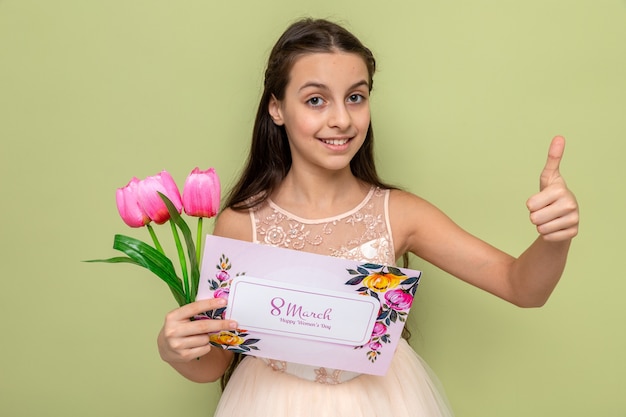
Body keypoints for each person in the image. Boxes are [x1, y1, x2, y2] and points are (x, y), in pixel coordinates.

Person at [156, 18, 579, 416]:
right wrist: (174, 348)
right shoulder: (239, 224)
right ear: (277, 108)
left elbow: (522, 287)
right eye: (316, 100)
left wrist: (555, 238)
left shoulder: (401, 214)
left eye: (355, 97)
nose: (341, 119)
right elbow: (214, 363)